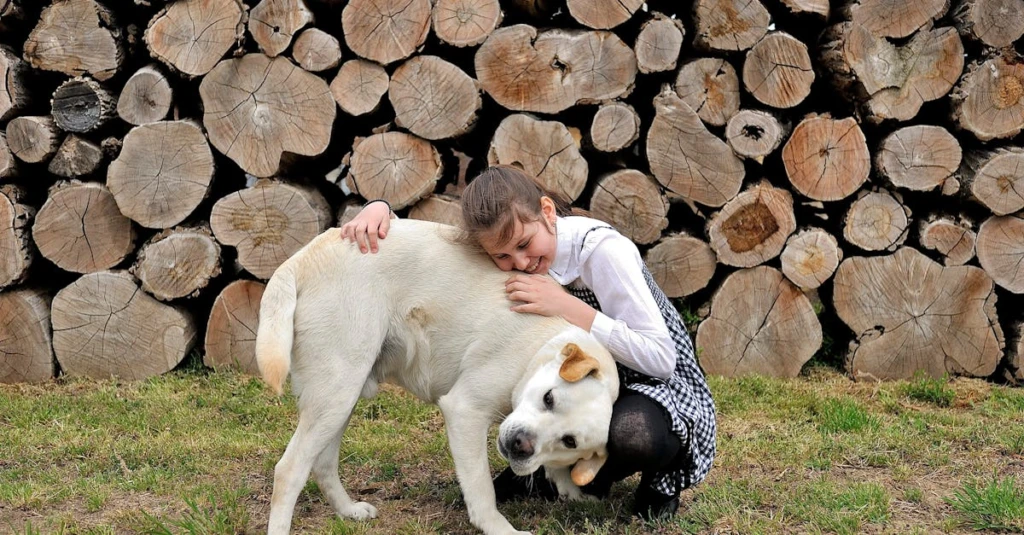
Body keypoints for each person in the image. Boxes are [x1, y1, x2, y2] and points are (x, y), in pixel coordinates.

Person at [340, 165, 716, 521]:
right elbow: (443, 250)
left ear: (547, 212)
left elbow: (661, 359)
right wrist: (382, 210)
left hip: (653, 381)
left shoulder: (601, 252)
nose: (520, 261)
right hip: (579, 378)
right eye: (503, 256)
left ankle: (660, 475)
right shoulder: (510, 240)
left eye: (524, 244)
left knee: (632, 434)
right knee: (549, 398)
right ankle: (547, 467)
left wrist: (567, 306)